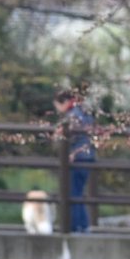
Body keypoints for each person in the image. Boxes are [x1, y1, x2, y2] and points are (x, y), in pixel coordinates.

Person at [53, 89, 96, 233]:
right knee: (77, 192)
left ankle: (75, 226)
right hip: (87, 156)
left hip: (77, 157)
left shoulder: (73, 115)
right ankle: (82, 225)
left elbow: (72, 135)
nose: (58, 110)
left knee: (72, 192)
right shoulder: (84, 112)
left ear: (64, 103)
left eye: (57, 106)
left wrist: (61, 138)